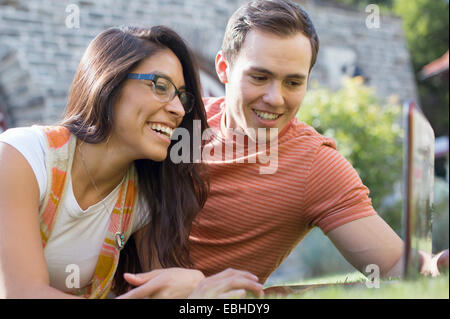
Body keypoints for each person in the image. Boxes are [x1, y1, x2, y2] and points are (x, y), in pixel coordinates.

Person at [185, 0, 449, 286]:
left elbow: (396, 262)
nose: (275, 98)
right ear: (224, 68)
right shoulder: (180, 120)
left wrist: (437, 265)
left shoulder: (314, 164)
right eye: (260, 77)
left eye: (293, 83)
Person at [0, 25, 263, 299]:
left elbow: (167, 293)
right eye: (161, 86)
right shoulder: (22, 157)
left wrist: (199, 288)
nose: (178, 109)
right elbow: (20, 293)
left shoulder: (142, 197)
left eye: (182, 96)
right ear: (109, 83)